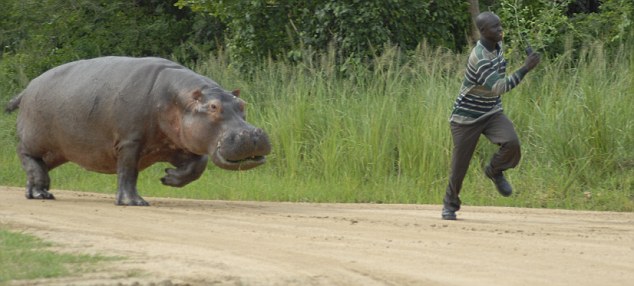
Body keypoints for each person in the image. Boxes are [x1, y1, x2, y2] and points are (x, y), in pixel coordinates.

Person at [442, 11, 541, 220]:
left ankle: (494, 171)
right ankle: (450, 205)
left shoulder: (497, 45)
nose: (500, 29)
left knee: (512, 142)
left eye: (500, 25)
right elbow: (499, 86)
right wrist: (526, 68)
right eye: (495, 27)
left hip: (491, 111)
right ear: (484, 32)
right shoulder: (478, 57)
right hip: (466, 117)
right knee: (460, 165)